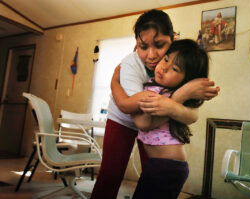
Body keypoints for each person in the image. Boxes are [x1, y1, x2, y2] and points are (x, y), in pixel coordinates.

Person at [91, 9, 220, 199]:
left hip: (154, 125)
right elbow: (129, 107)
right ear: (136, 44)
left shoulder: (180, 59)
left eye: (160, 45)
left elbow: (192, 115)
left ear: (173, 39)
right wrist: (114, 83)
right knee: (111, 173)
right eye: (143, 47)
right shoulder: (131, 65)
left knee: (152, 172)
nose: (152, 56)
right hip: (124, 118)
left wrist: (180, 100)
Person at [131, 39, 210, 199]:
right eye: (166, 59)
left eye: (175, 68)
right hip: (161, 164)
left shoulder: (166, 95)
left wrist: (178, 97)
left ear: (186, 80)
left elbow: (147, 123)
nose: (164, 67)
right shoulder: (155, 87)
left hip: (167, 166)